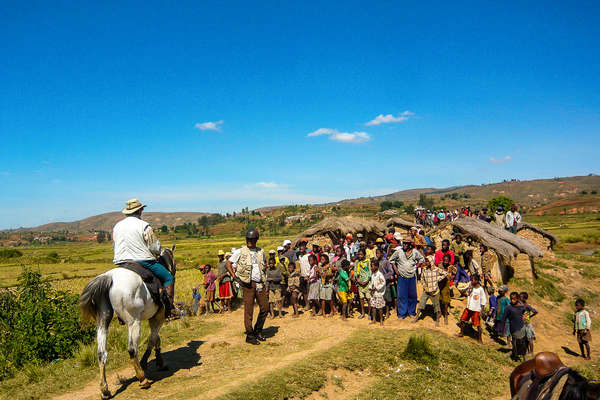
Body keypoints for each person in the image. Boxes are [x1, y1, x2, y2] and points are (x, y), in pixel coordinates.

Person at [112, 198, 175, 311]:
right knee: (168, 277)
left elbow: (114, 245)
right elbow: (154, 247)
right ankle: (170, 309)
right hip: (143, 261)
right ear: (140, 211)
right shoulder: (144, 225)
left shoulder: (117, 226)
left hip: (122, 262)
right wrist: (157, 253)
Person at [226, 228, 269, 345]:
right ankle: (250, 335)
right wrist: (234, 276)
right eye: (248, 239)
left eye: (252, 239)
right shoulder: (240, 251)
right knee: (248, 311)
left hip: (260, 284)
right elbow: (228, 263)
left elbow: (264, 265)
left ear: (256, 239)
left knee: (265, 308)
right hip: (248, 285)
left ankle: (258, 331)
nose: (250, 241)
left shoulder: (261, 251)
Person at [390, 239, 424, 319]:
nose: (404, 245)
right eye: (404, 244)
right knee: (402, 295)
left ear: (410, 245)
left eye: (406, 244)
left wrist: (416, 266)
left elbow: (421, 259)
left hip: (412, 276)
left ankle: (411, 312)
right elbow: (392, 260)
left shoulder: (415, 252)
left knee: (412, 295)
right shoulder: (399, 252)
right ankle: (402, 314)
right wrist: (396, 270)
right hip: (402, 277)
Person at [414, 256, 447, 327]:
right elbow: (422, 278)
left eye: (428, 261)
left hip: (435, 291)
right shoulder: (424, 269)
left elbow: (445, 273)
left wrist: (439, 278)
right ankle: (417, 317)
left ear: (431, 262)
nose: (426, 263)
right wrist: (424, 285)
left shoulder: (436, 269)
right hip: (426, 291)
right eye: (426, 261)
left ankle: (437, 320)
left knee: (436, 306)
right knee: (421, 303)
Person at [457, 275, 487, 343]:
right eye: (471, 279)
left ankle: (480, 339)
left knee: (477, 324)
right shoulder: (470, 287)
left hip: (476, 309)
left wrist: (481, 311)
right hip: (468, 308)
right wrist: (467, 288)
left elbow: (483, 300)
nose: (471, 281)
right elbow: (462, 291)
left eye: (472, 280)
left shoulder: (480, 289)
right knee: (462, 320)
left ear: (476, 281)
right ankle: (461, 333)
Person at [502, 292, 527, 360]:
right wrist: (502, 328)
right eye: (511, 299)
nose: (512, 301)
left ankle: (524, 355)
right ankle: (515, 355)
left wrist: (525, 317)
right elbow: (503, 318)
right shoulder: (508, 308)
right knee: (514, 342)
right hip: (513, 328)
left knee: (523, 343)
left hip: (522, 327)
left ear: (518, 299)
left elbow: (525, 313)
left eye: (514, 299)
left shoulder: (521, 306)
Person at [376, 248, 396, 318]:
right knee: (379, 297)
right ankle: (381, 312)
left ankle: (387, 312)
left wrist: (384, 277)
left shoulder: (386, 262)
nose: (377, 255)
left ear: (382, 254)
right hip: (378, 283)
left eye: (378, 253)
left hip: (385, 283)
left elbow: (391, 272)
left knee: (387, 298)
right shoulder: (376, 261)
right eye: (376, 253)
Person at [352, 249, 371, 319]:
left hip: (367, 283)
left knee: (368, 298)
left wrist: (367, 281)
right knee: (361, 298)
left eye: (361, 254)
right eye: (359, 254)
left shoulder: (368, 262)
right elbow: (355, 272)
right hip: (360, 283)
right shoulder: (357, 262)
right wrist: (358, 280)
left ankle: (369, 313)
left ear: (364, 255)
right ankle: (363, 313)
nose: (360, 256)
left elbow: (370, 272)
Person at [369, 259, 386, 326]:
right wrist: (370, 287)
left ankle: (381, 320)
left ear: (376, 267)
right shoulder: (373, 275)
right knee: (373, 307)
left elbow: (383, 283)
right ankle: (374, 319)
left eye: (372, 266)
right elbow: (371, 282)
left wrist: (376, 287)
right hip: (373, 294)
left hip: (379, 293)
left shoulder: (380, 274)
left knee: (380, 308)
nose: (371, 267)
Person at [520, 292, 537, 356]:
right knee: (524, 338)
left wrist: (530, 316)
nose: (519, 298)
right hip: (522, 323)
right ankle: (525, 351)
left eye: (521, 297)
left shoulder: (527, 306)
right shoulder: (520, 305)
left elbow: (535, 311)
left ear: (524, 298)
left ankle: (531, 352)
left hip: (527, 324)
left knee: (530, 338)